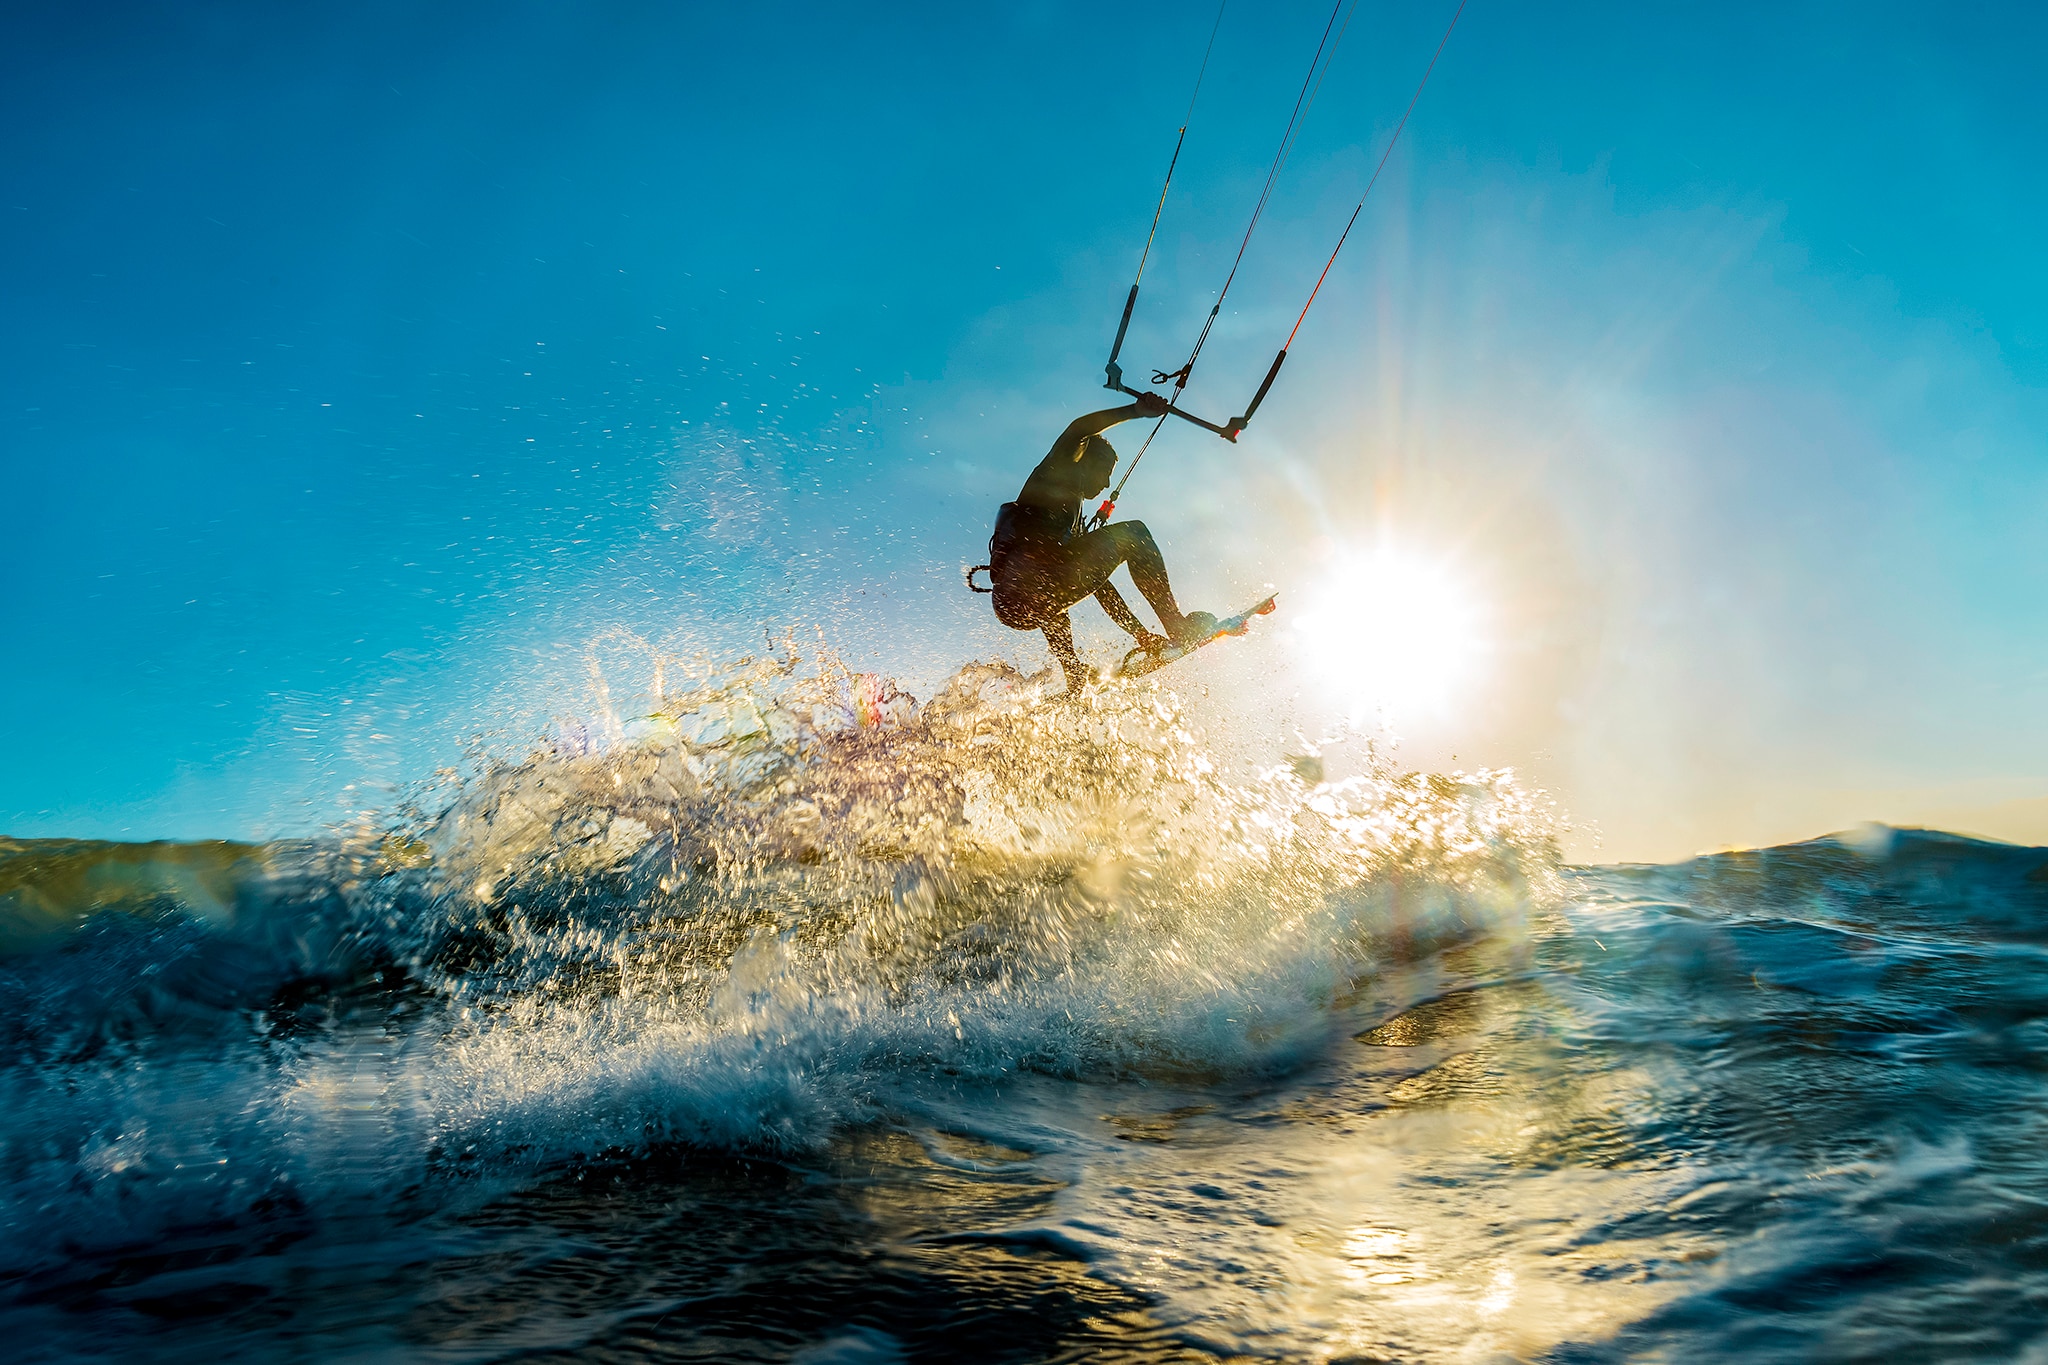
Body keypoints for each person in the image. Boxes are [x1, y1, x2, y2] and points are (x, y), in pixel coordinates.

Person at [984, 392, 1215, 692]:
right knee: (1135, 533)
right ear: (1083, 460)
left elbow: (1100, 587)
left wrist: (1140, 635)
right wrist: (1136, 410)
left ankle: (1074, 673)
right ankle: (1176, 624)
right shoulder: (1056, 472)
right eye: (1105, 472)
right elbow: (1079, 429)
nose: (1107, 483)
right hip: (1030, 585)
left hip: (1013, 604)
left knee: (1051, 600)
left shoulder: (1071, 526)